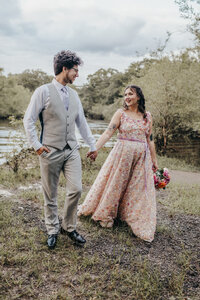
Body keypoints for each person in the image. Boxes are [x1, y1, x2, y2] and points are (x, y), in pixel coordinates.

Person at [23, 50, 97, 249]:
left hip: (71, 149)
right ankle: (52, 229)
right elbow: (28, 120)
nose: (77, 74)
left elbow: (82, 123)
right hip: (50, 150)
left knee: (76, 189)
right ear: (64, 68)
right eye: (75, 70)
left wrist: (92, 145)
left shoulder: (74, 95)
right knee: (51, 194)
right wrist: (37, 146)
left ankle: (69, 227)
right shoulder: (43, 91)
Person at [79, 85, 158, 242]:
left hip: (141, 157)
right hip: (122, 155)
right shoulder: (120, 113)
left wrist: (154, 160)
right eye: (125, 94)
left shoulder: (147, 117)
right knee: (116, 184)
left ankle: (130, 216)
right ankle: (106, 215)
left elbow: (150, 139)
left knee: (137, 189)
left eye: (130, 94)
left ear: (139, 97)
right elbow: (109, 132)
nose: (127, 97)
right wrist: (95, 148)